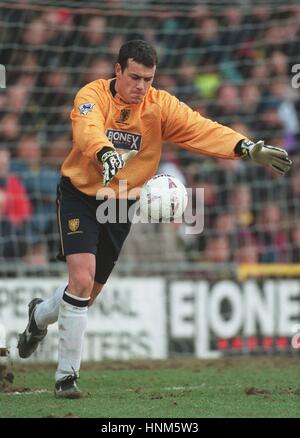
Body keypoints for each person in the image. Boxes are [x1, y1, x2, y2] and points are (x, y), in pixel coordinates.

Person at [17, 40, 292, 399]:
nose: (141, 86)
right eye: (134, 77)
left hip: (122, 203)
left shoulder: (159, 107)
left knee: (88, 294)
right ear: (118, 71)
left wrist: (245, 147)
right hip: (81, 196)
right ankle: (66, 377)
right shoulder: (93, 95)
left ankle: (39, 316)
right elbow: (87, 128)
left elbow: (201, 128)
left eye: (148, 79)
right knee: (80, 281)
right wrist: (104, 152)